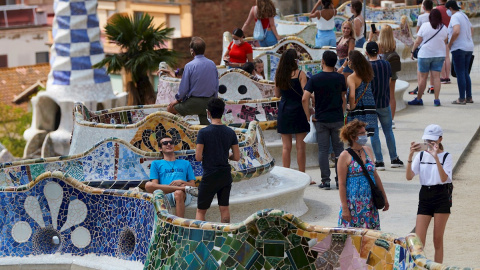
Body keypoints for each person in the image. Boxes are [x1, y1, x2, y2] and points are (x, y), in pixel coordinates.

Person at [405, 124, 452, 263]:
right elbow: (409, 177)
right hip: (425, 195)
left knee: (437, 239)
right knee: (418, 242)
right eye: (427, 141)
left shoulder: (446, 156)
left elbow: (444, 178)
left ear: (440, 139)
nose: (430, 144)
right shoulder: (420, 155)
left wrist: (436, 157)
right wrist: (410, 156)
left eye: (433, 141)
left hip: (441, 195)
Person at [302, 50, 346, 190]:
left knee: (323, 150)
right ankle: (340, 180)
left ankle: (325, 181)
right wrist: (343, 113)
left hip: (321, 119)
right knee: (339, 150)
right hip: (337, 118)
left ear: (323, 62)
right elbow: (343, 98)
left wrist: (308, 115)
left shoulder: (315, 78)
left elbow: (305, 98)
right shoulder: (340, 78)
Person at [337, 119, 389, 230]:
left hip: (369, 202)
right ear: (352, 136)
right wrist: (345, 208)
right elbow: (341, 184)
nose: (365, 135)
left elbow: (375, 176)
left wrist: (384, 197)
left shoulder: (368, 150)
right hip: (353, 204)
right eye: (361, 133)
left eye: (364, 132)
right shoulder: (344, 156)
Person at [195, 98, 241, 223]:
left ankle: (201, 237)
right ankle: (225, 236)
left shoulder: (203, 132)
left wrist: (210, 156)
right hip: (225, 174)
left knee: (201, 210)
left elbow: (198, 157)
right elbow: (237, 157)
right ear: (223, 112)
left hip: (210, 174)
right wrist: (226, 156)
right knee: (224, 208)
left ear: (208, 112)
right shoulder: (230, 132)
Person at [365, 42, 404, 170]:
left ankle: (379, 161)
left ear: (367, 53)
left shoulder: (366, 66)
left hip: (370, 104)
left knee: (374, 132)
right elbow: (388, 81)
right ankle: (394, 158)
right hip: (384, 102)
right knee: (388, 131)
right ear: (378, 51)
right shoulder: (386, 64)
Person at [274, 49, 310, 177]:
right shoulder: (301, 74)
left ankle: (286, 175)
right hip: (298, 110)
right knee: (300, 147)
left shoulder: (279, 75)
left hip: (284, 110)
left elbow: (277, 94)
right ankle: (302, 175)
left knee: (286, 147)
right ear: (295, 60)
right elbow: (305, 93)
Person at [167, 37, 218, 125]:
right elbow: (216, 85)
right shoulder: (212, 64)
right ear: (204, 50)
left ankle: (176, 134)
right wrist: (214, 100)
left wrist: (177, 100)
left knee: (170, 109)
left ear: (192, 51)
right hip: (210, 102)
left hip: (194, 103)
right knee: (205, 125)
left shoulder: (189, 66)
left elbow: (184, 88)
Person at [146, 136, 197, 218]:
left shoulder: (185, 163)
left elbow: (193, 186)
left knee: (178, 193)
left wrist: (182, 182)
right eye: (165, 143)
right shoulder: (156, 164)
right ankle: (181, 188)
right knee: (148, 185)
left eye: (171, 142)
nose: (169, 144)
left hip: (183, 195)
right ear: (160, 148)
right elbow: (154, 186)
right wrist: (178, 187)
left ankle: (179, 226)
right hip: (166, 194)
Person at [408, 9, 447, 107]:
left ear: (430, 17)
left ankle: (419, 99)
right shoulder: (443, 27)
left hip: (425, 55)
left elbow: (417, 41)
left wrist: (413, 51)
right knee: (436, 77)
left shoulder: (425, 26)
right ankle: (437, 100)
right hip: (439, 55)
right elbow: (445, 40)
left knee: (423, 78)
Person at [446, 0, 474, 105]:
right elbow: (471, 29)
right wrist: (467, 39)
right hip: (468, 47)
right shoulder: (463, 15)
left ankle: (461, 98)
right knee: (466, 72)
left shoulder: (454, 17)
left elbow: (456, 30)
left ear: (450, 9)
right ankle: (469, 97)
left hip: (459, 48)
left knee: (460, 73)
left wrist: (450, 43)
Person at [345, 50, 376, 137]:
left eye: (348, 59)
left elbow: (352, 95)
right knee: (364, 137)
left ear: (351, 62)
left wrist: (352, 106)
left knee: (355, 139)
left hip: (357, 113)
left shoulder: (351, 77)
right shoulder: (367, 74)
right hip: (368, 111)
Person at [416, 0, 437, 96]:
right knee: (433, 69)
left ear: (423, 7)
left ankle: (420, 87)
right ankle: (431, 86)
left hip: (423, 44)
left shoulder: (421, 17)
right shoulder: (434, 16)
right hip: (433, 44)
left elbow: (418, 31)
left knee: (421, 70)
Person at [435, 0, 451, 84]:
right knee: (447, 56)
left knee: (441, 56)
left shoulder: (437, 9)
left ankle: (443, 76)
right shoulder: (449, 9)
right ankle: (448, 76)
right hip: (449, 33)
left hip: (441, 33)